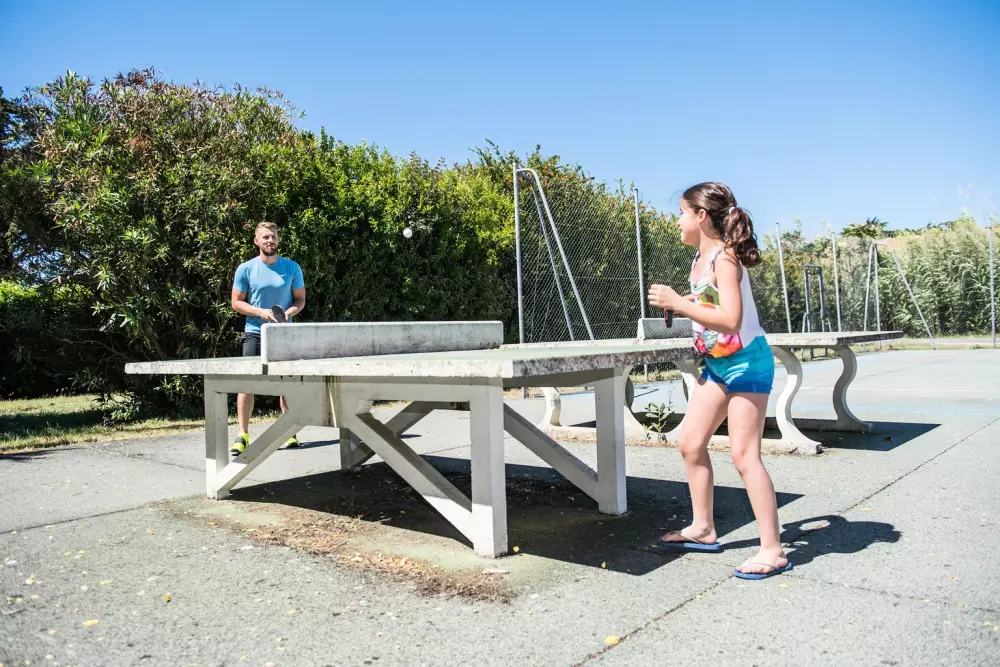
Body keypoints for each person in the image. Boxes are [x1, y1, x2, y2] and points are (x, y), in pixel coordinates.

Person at [647, 182, 791, 580]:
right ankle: (704, 528)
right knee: (690, 442)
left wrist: (679, 303)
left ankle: (773, 549)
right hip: (717, 364)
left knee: (745, 456)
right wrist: (687, 305)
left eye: (681, 212)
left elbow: (730, 318)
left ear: (700, 216)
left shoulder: (726, 259)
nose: (676, 220)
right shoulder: (699, 262)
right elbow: (710, 306)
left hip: (747, 362)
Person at [230, 221, 306, 455]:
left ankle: (288, 432)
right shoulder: (246, 269)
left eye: (273, 236)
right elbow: (236, 303)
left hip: (283, 334)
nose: (270, 240)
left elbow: (299, 301)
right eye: (265, 237)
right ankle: (242, 435)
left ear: (278, 240)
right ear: (256, 241)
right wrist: (260, 312)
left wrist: (289, 313)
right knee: (246, 384)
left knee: (287, 384)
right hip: (254, 332)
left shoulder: (292, 268)